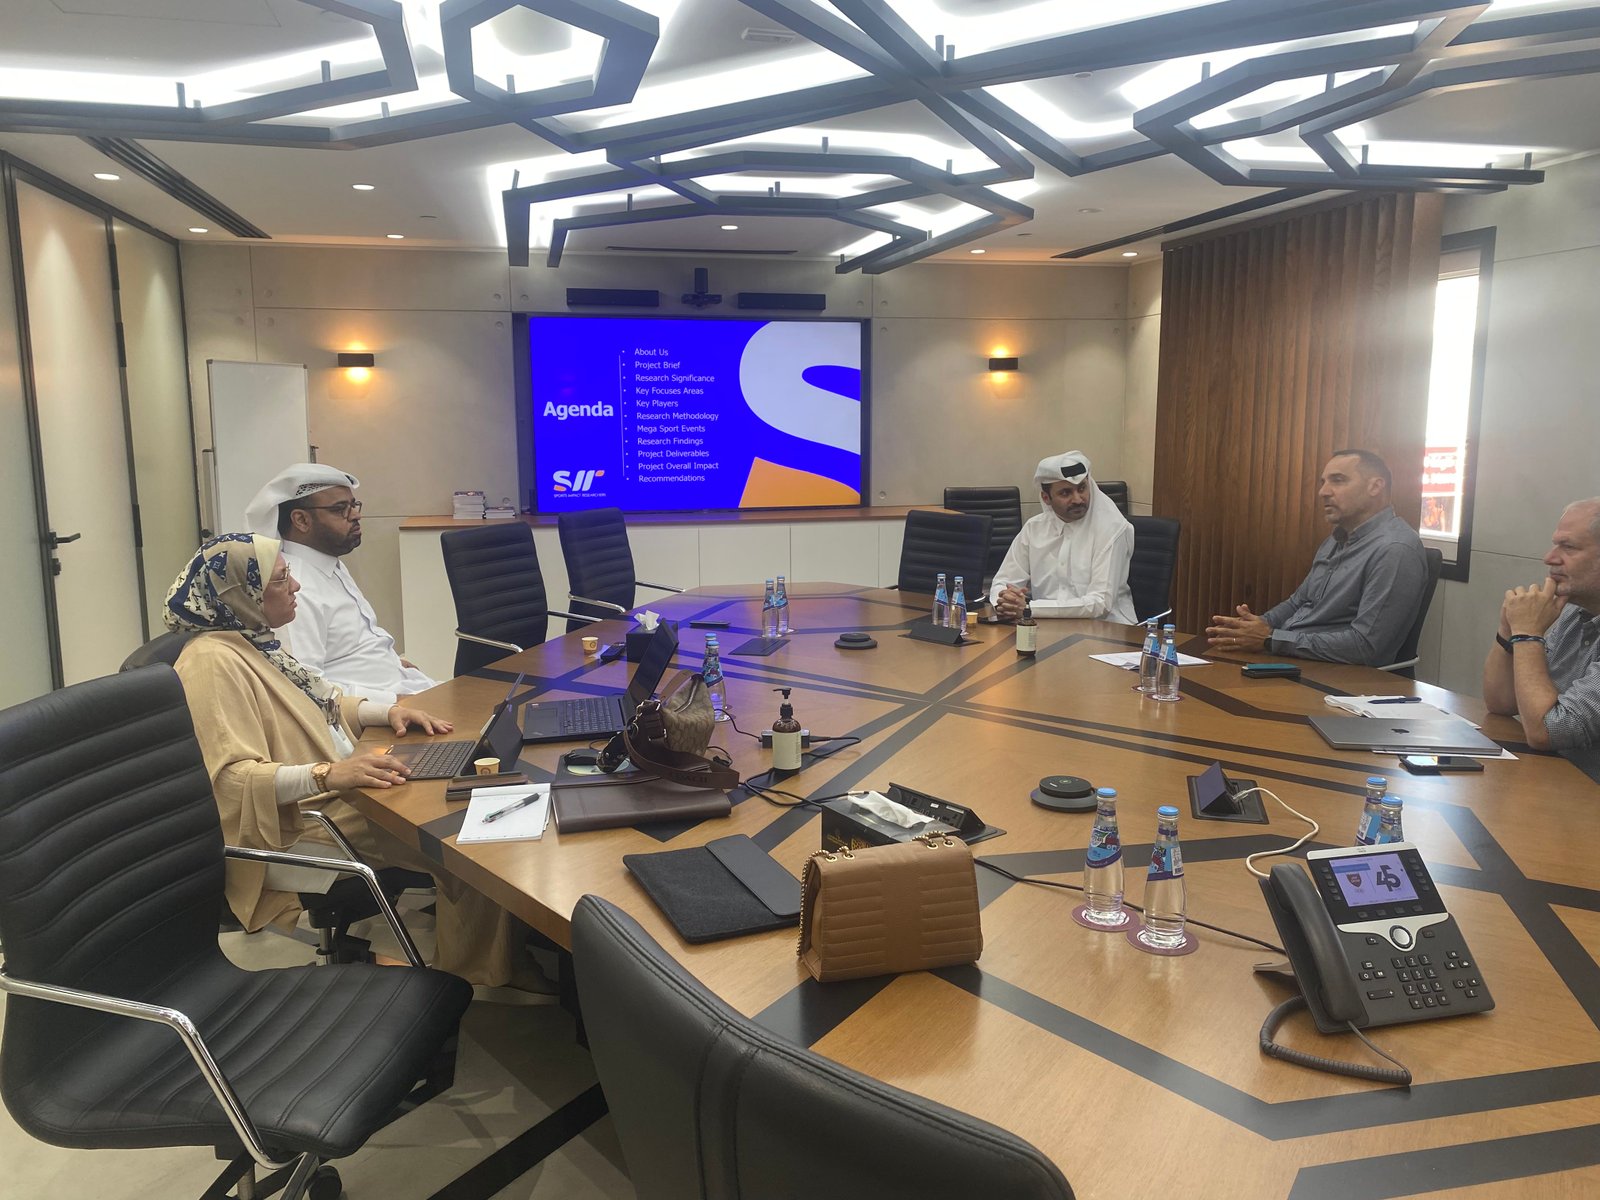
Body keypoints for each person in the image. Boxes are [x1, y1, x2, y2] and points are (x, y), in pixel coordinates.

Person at [164, 532, 527, 988]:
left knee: (466, 801)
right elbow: (232, 781)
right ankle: (480, 976)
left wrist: (388, 712)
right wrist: (330, 774)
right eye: (280, 580)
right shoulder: (210, 663)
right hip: (301, 821)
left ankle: (500, 956)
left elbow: (324, 702)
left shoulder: (254, 638)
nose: (295, 586)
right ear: (243, 594)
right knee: (465, 840)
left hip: (337, 793)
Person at [1207, 449, 1428, 666]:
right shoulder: (1335, 540)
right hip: (1293, 657)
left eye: (1338, 480)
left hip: (1339, 675)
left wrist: (1270, 638)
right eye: (1323, 482)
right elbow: (1298, 602)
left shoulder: (1395, 549)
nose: (1323, 492)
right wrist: (1255, 626)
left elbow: (1367, 647)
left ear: (1375, 487)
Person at [244, 463, 437, 705]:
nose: (355, 515)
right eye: (339, 509)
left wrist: (392, 663)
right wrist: (393, 700)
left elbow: (349, 646)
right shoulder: (295, 586)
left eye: (353, 505)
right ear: (301, 520)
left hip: (404, 687)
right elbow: (306, 687)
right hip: (376, 711)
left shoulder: (328, 563)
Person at [1482, 499, 1600, 783]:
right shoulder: (1573, 613)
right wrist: (1509, 628)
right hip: (1560, 781)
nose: (1549, 558)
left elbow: (1547, 731)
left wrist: (1527, 634)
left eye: (1568, 547)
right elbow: (1501, 702)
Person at [989, 451, 1137, 624]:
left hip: (1107, 629)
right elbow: (1004, 580)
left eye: (1082, 488)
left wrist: (1029, 608)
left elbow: (1100, 603)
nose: (1077, 499)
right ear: (1046, 498)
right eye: (1066, 493)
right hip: (1044, 625)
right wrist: (1005, 600)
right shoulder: (1034, 528)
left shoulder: (1111, 529)